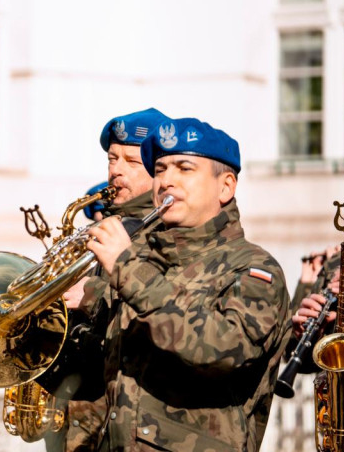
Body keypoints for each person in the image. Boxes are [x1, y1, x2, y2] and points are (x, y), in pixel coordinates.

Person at [82, 117, 289, 451]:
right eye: (160, 169)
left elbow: (224, 349)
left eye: (184, 168)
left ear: (225, 187)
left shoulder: (254, 269)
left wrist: (128, 271)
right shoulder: (146, 262)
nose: (166, 181)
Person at [50, 108, 169, 452]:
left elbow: (166, 303)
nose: (116, 170)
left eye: (131, 161)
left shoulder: (166, 231)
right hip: (83, 414)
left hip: (131, 422)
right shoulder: (106, 226)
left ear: (158, 169)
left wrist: (91, 293)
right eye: (112, 159)